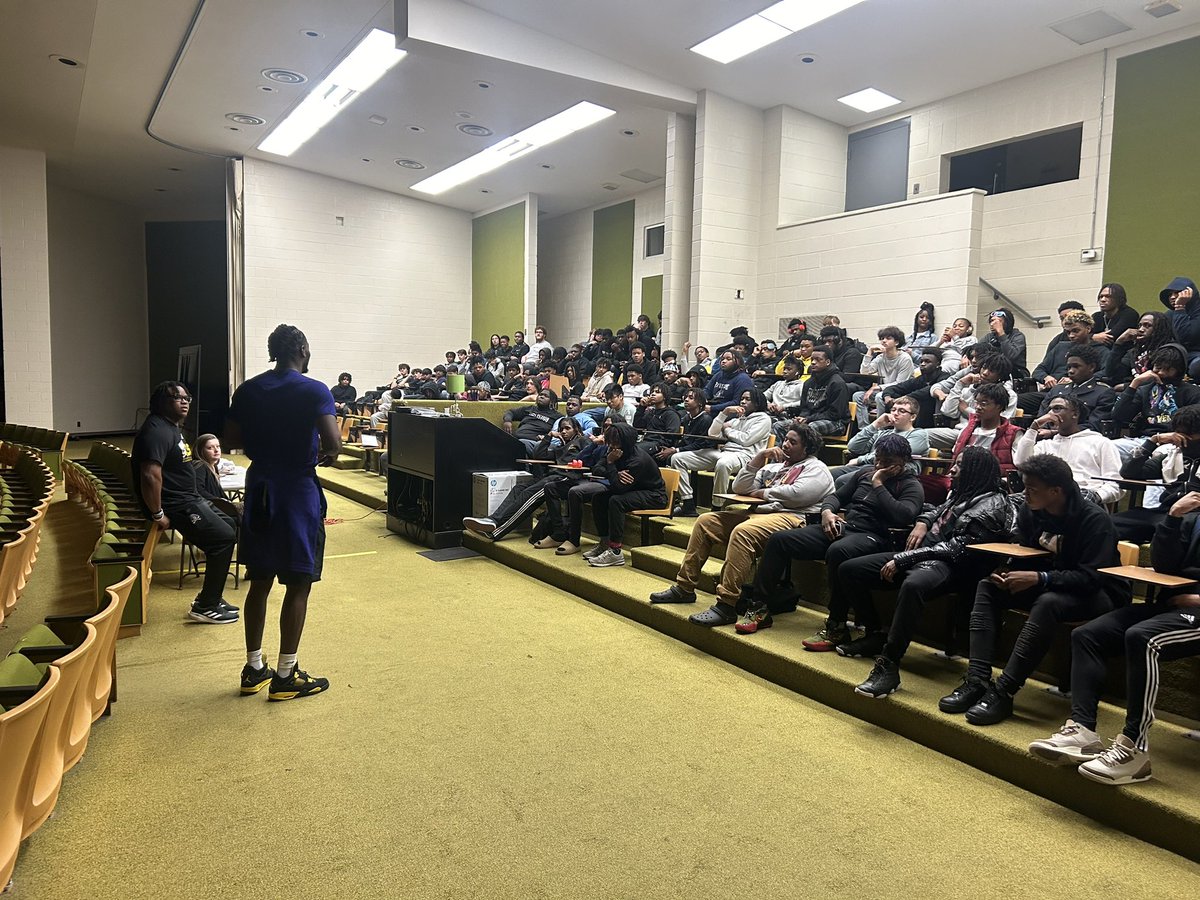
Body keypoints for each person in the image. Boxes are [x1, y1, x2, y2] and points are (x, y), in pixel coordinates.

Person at [940, 455, 1128, 726]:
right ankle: (977, 680)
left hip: (1099, 593)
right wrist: (1008, 571)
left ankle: (1004, 690)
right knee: (988, 586)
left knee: (1049, 602)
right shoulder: (1032, 511)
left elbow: (1091, 578)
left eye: (1032, 489)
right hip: (1050, 581)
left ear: (1056, 491)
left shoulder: (1094, 521)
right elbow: (1028, 551)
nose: (1024, 493)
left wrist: (1040, 578)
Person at [1029, 489, 1200, 785]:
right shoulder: (1191, 518)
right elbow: (1163, 565)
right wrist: (1173, 517)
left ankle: (1135, 750)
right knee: (1088, 634)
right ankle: (1083, 731)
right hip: (1171, 605)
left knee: (1142, 637)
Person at [835, 448, 1016, 697]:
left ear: (976, 470)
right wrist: (923, 521)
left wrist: (905, 558)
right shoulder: (965, 493)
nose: (952, 469)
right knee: (849, 569)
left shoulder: (992, 503)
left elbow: (956, 549)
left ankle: (888, 665)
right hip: (927, 555)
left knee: (913, 584)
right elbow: (938, 510)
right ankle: (875, 633)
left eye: (960, 465)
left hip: (951, 566)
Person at [225, 324, 342, 701]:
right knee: (298, 581)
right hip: (296, 489)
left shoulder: (248, 389)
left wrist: (267, 442)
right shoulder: (314, 390)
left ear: (272, 351)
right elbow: (335, 443)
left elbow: (229, 440)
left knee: (259, 580)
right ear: (303, 349)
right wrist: (319, 450)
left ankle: (254, 666)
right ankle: (286, 675)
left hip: (259, 484)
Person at [744, 435, 924, 647]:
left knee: (838, 551)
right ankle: (760, 606)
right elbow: (835, 497)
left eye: (886, 462)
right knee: (780, 540)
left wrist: (878, 484)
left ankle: (836, 626)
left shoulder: (911, 486)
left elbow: (903, 515)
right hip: (844, 528)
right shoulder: (864, 473)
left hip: (874, 537)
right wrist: (828, 512)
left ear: (903, 461)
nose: (879, 465)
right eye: (877, 459)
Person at [651, 425, 835, 630]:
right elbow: (740, 487)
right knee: (706, 522)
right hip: (759, 513)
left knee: (743, 531)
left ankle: (726, 604)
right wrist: (758, 459)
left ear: (807, 448)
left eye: (793, 442)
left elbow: (797, 495)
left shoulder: (816, 468)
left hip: (792, 518)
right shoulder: (774, 466)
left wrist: (761, 494)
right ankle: (684, 588)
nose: (785, 445)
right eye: (786, 440)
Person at [132, 381, 238, 624]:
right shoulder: (156, 430)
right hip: (178, 505)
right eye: (176, 397)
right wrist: (157, 514)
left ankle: (209, 597)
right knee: (222, 538)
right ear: (160, 403)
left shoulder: (170, 427)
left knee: (230, 524)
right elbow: (150, 475)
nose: (185, 401)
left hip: (190, 498)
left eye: (187, 398)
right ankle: (207, 606)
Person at [552, 421, 666, 566]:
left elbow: (618, 488)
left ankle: (615, 551)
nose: (611, 446)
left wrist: (611, 464)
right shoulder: (614, 452)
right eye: (610, 441)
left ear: (625, 442)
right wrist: (614, 471)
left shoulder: (637, 460)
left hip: (654, 495)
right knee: (599, 498)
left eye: (615, 442)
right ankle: (605, 542)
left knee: (616, 501)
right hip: (635, 489)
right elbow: (597, 468)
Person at [462, 416, 590, 543]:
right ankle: (492, 519)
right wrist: (549, 436)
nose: (563, 432)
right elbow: (539, 455)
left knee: (528, 495)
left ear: (577, 430)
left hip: (564, 478)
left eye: (567, 428)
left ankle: (495, 532)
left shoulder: (582, 440)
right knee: (519, 488)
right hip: (550, 476)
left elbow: (590, 458)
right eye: (561, 429)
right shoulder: (560, 447)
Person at [670, 388, 771, 517]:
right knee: (677, 458)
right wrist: (724, 413)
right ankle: (688, 503)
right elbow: (712, 434)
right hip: (725, 452)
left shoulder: (763, 419)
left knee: (723, 463)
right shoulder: (738, 419)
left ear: (757, 403)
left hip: (746, 456)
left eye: (747, 399)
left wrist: (727, 431)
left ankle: (717, 507)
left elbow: (746, 440)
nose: (743, 402)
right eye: (742, 399)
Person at [1112, 404, 1200, 543]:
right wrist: (1153, 441)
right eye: (1178, 434)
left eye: (1189, 435)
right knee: (1106, 524)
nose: (1183, 440)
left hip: (1194, 517)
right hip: (1163, 513)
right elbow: (1129, 472)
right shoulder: (1171, 457)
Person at [1012, 396, 1121, 504]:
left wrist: (1097, 496)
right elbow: (1021, 463)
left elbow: (1116, 484)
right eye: (1049, 409)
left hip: (1083, 498)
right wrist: (1033, 428)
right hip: (1046, 497)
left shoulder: (1100, 443)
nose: (1050, 414)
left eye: (1057, 408)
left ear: (1075, 414)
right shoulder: (1045, 445)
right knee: (1007, 504)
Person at [833, 395, 928, 484]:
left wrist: (860, 460)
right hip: (868, 467)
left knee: (842, 481)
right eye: (893, 410)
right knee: (831, 475)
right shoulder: (883, 433)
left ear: (913, 417)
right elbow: (853, 447)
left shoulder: (918, 435)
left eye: (901, 411)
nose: (895, 413)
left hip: (892, 473)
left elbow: (892, 454)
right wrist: (876, 424)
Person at [770, 346, 850, 443]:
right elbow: (804, 407)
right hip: (810, 419)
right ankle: (780, 456)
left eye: (818, 359)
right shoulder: (809, 382)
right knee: (779, 425)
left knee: (808, 428)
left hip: (836, 423)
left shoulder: (837, 383)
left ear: (828, 362)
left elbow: (834, 414)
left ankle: (802, 456)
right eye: (812, 359)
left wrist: (807, 419)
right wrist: (801, 418)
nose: (813, 362)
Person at [1034, 344, 1114, 430]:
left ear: (1091, 367)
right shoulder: (1057, 389)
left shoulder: (1103, 392)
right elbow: (1042, 417)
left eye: (1076, 366)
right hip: (1048, 439)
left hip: (1081, 439)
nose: (1071, 371)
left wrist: (1054, 433)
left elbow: (1094, 426)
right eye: (1069, 367)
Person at [1103, 310, 1176, 393]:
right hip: (1135, 393)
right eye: (1139, 325)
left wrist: (1128, 386)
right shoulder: (1134, 352)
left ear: (1160, 328)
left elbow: (1163, 377)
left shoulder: (1170, 350)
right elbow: (1111, 373)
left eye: (1147, 326)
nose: (1141, 329)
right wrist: (1118, 344)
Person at [855, 325, 914, 426]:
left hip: (901, 391)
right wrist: (869, 352)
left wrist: (876, 388)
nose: (884, 341)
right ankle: (864, 429)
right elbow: (864, 372)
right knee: (857, 396)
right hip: (884, 390)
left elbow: (900, 383)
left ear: (897, 342)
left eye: (888, 338)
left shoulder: (905, 359)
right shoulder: (880, 357)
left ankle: (880, 428)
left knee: (879, 396)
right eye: (882, 338)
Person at [881, 347, 944, 428]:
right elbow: (895, 388)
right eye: (921, 361)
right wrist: (887, 396)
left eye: (927, 362)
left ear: (938, 364)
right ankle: (890, 430)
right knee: (892, 400)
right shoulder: (920, 379)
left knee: (922, 401)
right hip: (916, 413)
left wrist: (905, 398)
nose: (923, 364)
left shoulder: (945, 377)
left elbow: (927, 391)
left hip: (933, 415)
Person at [653, 388, 713, 466]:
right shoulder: (686, 418)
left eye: (691, 398)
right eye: (686, 397)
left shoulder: (706, 419)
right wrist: (672, 448)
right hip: (692, 450)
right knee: (659, 456)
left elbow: (699, 444)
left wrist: (675, 450)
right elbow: (686, 440)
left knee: (674, 457)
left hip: (704, 452)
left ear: (700, 403)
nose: (686, 400)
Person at [1159, 276, 1200, 378]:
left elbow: (1186, 337)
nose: (1172, 297)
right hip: (1178, 355)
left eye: (1177, 293)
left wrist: (1180, 307)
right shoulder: (1169, 315)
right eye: (1170, 295)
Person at [502, 388, 559, 454]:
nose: (542, 397)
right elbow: (510, 412)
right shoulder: (530, 409)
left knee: (518, 445)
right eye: (540, 394)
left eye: (546, 396)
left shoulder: (556, 416)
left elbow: (559, 432)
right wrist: (507, 421)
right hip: (516, 439)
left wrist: (545, 437)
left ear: (552, 401)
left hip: (533, 443)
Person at [975, 308, 1028, 379]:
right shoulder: (989, 337)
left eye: (998, 321)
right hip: (991, 371)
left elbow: (1010, 356)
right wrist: (966, 357)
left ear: (1007, 322)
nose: (992, 324)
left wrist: (1001, 333)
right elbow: (977, 351)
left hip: (1014, 373)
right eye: (991, 321)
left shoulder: (1018, 336)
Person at [1091, 283, 1139, 347]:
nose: (1103, 300)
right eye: (1101, 296)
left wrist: (1091, 337)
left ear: (1118, 299)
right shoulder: (1096, 316)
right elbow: (1081, 336)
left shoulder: (1130, 314)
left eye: (1108, 296)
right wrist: (1093, 337)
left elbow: (1111, 337)